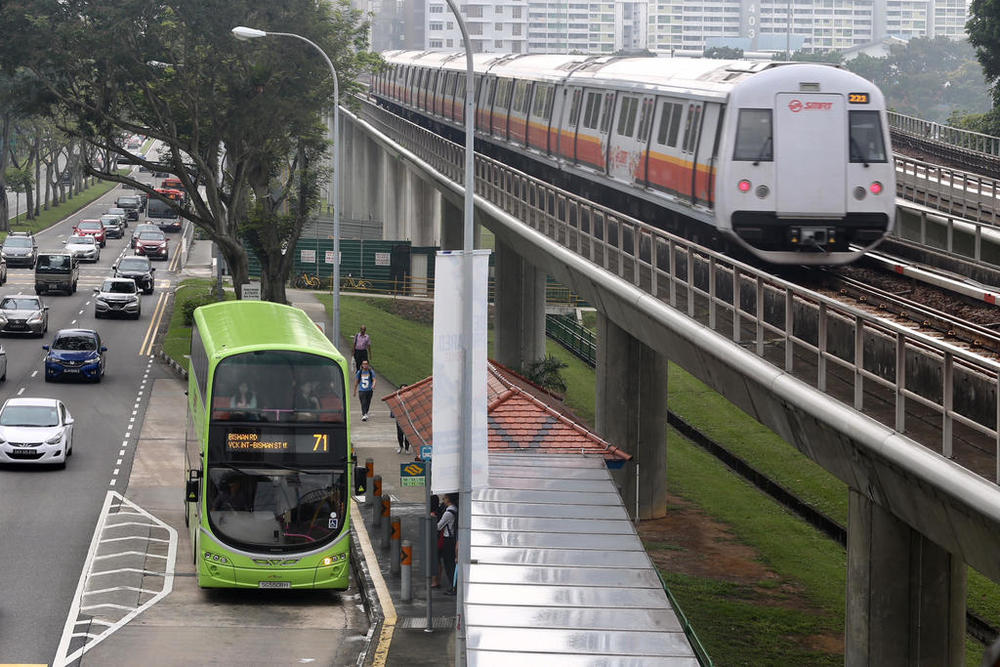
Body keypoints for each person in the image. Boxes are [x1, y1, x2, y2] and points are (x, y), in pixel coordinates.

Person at [437, 494, 458, 595]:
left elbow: (438, 526)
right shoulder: (456, 509)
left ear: (448, 499)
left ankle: (453, 586)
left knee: (448, 564)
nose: (443, 500)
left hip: (448, 540)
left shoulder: (448, 513)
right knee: (452, 563)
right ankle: (454, 585)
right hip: (453, 539)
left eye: (444, 498)